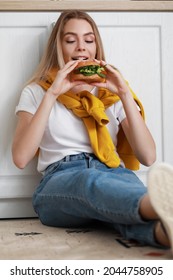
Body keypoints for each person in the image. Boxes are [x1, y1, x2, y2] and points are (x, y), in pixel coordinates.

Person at [12, 10, 173, 252]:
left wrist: (124, 94)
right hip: (60, 183)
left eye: (89, 40)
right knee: (89, 180)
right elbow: (21, 158)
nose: (81, 48)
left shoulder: (111, 93)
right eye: (70, 40)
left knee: (115, 204)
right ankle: (154, 204)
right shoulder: (37, 92)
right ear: (58, 46)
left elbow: (148, 156)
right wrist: (53, 93)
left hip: (114, 176)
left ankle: (162, 232)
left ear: (96, 47)